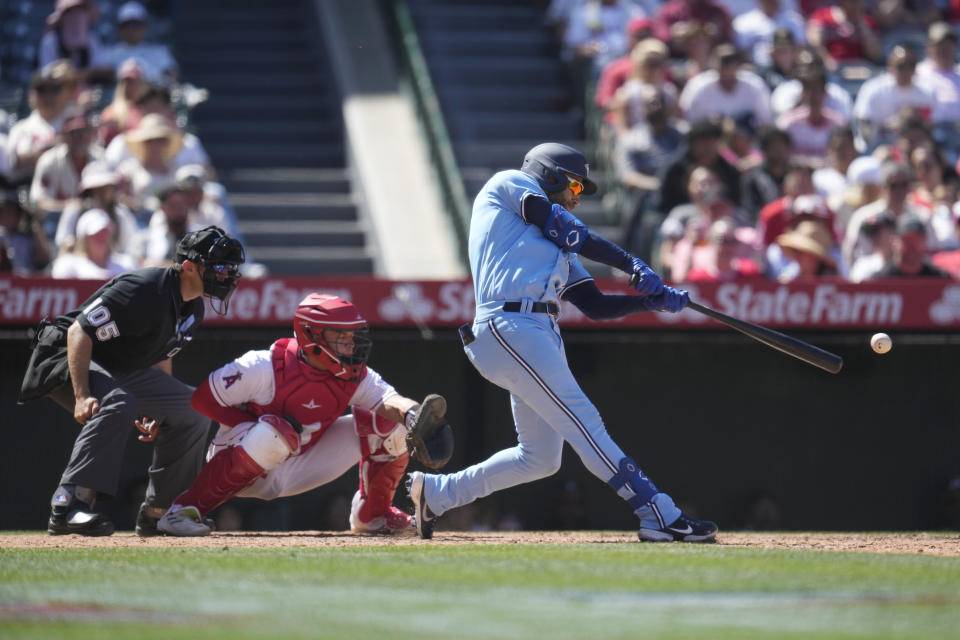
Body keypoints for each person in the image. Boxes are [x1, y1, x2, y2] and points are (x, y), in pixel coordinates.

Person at [406, 142, 718, 543]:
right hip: (510, 321)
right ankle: (658, 511)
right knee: (585, 422)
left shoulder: (555, 246)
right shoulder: (510, 185)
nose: (574, 199)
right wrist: (632, 263)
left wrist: (650, 302)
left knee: (539, 458)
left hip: (536, 331)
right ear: (548, 173)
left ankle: (437, 494)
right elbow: (567, 228)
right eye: (572, 187)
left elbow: (594, 305)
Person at [18, 226, 246, 536]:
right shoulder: (144, 287)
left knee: (192, 408)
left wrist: (160, 412)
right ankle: (68, 506)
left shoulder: (194, 307)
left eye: (229, 269)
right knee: (117, 403)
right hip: (66, 355)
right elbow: (78, 332)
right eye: (219, 267)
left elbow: (160, 352)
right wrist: (83, 394)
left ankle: (162, 512)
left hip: (119, 365)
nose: (227, 275)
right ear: (190, 267)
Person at [155, 294, 446, 536]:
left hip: (300, 460)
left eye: (351, 335)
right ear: (311, 335)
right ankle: (184, 511)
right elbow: (203, 399)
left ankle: (373, 516)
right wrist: (250, 424)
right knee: (275, 432)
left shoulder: (352, 373)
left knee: (393, 427)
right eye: (340, 335)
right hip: (244, 458)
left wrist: (413, 416)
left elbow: (389, 400)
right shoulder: (262, 366)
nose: (350, 344)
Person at [852, 46, 937, 150]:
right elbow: (864, 126)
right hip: (881, 146)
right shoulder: (873, 89)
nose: (906, 71)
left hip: (916, 148)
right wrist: (887, 127)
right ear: (890, 66)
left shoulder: (927, 92)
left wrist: (914, 121)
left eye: (911, 66)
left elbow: (932, 127)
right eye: (901, 66)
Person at [677, 45, 773, 126]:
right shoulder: (697, 86)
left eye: (732, 65)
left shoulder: (755, 85)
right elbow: (688, 121)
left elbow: (766, 123)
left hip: (747, 141)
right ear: (714, 66)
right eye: (724, 65)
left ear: (739, 66)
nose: (728, 71)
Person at [97, 2, 179, 84]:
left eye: (136, 24)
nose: (131, 29)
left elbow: (172, 75)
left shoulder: (160, 52)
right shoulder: (108, 54)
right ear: (118, 28)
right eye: (126, 24)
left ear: (145, 27)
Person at [50, 207, 138, 278]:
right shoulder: (67, 265)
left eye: (105, 231)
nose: (102, 236)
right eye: (95, 233)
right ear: (84, 238)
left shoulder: (127, 264)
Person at [871, 216, 950, 278]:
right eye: (907, 240)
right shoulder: (879, 280)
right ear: (893, 241)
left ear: (925, 242)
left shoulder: (940, 279)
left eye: (917, 240)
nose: (912, 245)